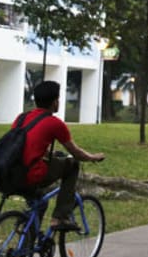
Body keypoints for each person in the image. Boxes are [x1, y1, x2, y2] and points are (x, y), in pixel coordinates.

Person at [19, 80, 105, 231]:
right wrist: (92, 157)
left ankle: (26, 245)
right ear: (54, 102)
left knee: (40, 202)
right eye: (58, 99)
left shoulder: (22, 118)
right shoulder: (54, 123)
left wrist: (48, 154)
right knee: (72, 165)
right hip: (32, 173)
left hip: (13, 173)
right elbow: (76, 152)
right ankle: (60, 217)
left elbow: (25, 144)